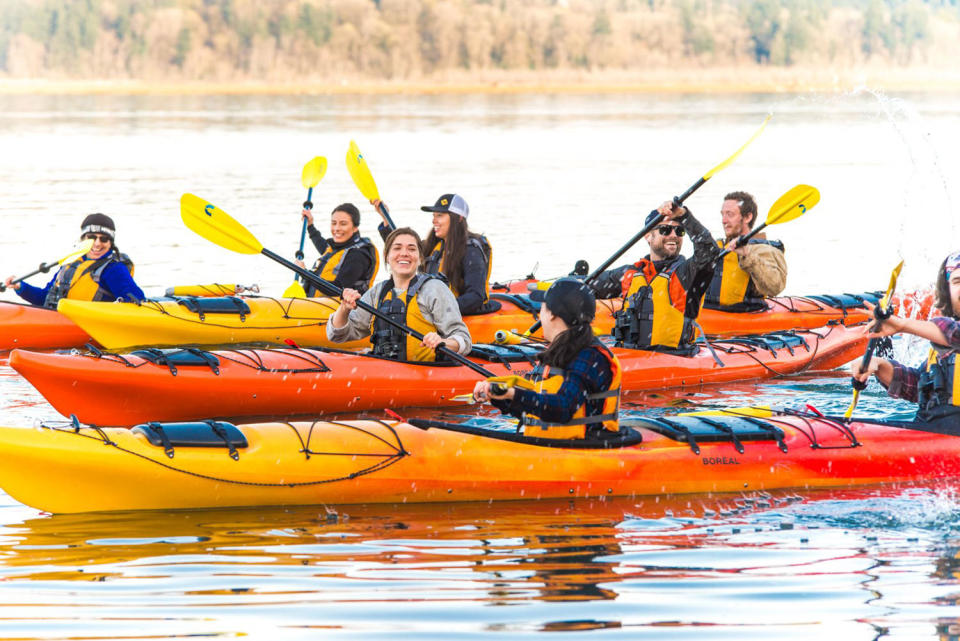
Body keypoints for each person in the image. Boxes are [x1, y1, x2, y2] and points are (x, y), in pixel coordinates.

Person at [473, 278, 622, 440]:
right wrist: (500, 397)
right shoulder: (559, 353)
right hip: (553, 450)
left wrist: (514, 394)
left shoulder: (589, 356)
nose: (540, 316)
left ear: (551, 314)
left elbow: (563, 408)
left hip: (582, 453)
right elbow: (534, 412)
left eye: (542, 308)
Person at [589, 200, 720, 353]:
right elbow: (590, 287)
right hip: (630, 353)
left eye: (679, 231)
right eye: (665, 230)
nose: (673, 235)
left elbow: (710, 252)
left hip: (673, 357)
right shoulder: (630, 274)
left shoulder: (687, 274)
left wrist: (684, 216)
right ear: (648, 235)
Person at [326, 226, 472, 362]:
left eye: (411, 249)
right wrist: (344, 309)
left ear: (420, 258)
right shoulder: (377, 293)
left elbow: (463, 339)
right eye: (397, 248)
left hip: (425, 372)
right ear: (387, 256)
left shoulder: (434, 289)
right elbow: (337, 336)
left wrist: (442, 342)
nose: (404, 253)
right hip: (384, 370)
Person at [850, 251, 960, 424]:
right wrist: (878, 365)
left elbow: (954, 334)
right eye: (957, 281)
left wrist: (902, 325)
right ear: (947, 291)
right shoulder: (942, 348)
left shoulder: (948, 333)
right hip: (933, 433)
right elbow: (915, 387)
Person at [371, 194, 497, 316]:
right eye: (434, 215)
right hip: (434, 309)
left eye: (440, 215)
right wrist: (385, 219)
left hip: (458, 314)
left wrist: (439, 311)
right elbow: (405, 251)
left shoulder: (471, 250)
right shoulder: (434, 245)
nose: (434, 220)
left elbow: (475, 296)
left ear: (458, 218)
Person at [4, 213, 144, 309]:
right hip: (58, 320)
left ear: (111, 242)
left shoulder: (113, 269)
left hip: (89, 327)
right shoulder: (71, 263)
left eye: (104, 239)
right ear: (83, 239)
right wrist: (21, 287)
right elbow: (44, 299)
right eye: (91, 237)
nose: (97, 243)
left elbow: (137, 301)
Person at [703, 191, 786, 312]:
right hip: (709, 313)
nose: (724, 220)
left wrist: (747, 254)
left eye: (730, 214)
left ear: (747, 217)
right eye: (723, 214)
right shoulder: (718, 246)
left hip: (743, 318)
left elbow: (775, 287)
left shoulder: (764, 250)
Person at [295, 203, 378, 296]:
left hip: (341, 308)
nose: (336, 228)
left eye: (343, 224)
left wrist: (305, 273)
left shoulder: (358, 255)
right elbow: (325, 249)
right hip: (320, 305)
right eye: (334, 223)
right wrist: (310, 226)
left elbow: (338, 289)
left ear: (355, 228)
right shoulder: (340, 247)